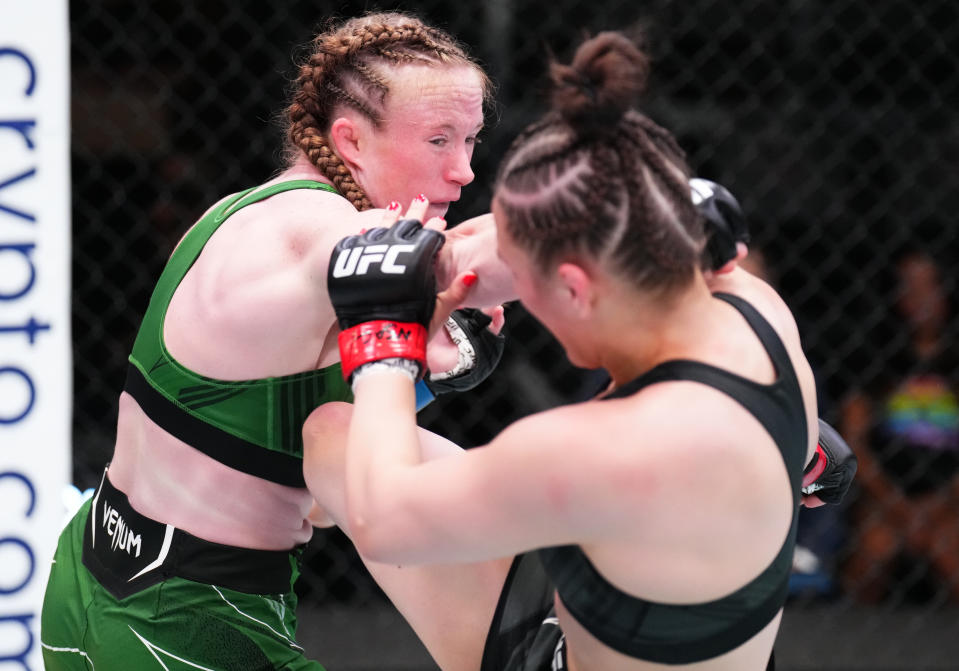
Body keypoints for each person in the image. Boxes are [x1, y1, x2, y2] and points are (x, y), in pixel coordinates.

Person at [305, 31, 822, 671]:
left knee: (340, 447)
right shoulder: (749, 305)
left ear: (575, 288)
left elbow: (385, 520)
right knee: (341, 442)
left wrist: (383, 337)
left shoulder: (587, 448)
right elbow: (523, 238)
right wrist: (429, 262)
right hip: (670, 612)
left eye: (534, 287)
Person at [39, 11, 511, 670]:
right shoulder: (318, 231)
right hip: (186, 627)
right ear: (350, 142)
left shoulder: (236, 213)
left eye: (470, 140)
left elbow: (313, 489)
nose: (462, 171)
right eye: (438, 140)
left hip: (91, 582)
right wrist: (653, 234)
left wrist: (422, 375)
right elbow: (475, 260)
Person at [839, 248, 959, 604]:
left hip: (948, 501)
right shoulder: (874, 360)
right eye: (908, 286)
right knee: (869, 560)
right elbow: (853, 442)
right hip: (886, 499)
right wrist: (896, 505)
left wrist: (939, 506)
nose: (919, 297)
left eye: (928, 286)